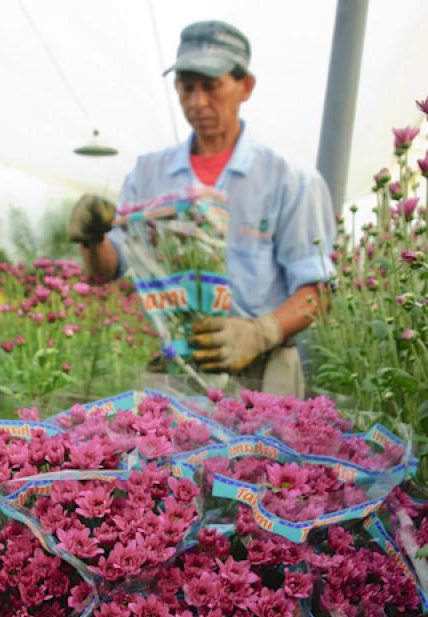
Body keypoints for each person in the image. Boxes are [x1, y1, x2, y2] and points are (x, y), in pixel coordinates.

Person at [68, 20, 335, 396]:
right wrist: (92, 239)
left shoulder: (288, 179)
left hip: (264, 377)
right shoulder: (149, 174)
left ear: (246, 86)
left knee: (264, 456)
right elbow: (108, 269)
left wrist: (261, 332)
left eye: (211, 87)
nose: (197, 102)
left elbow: (317, 290)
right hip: (175, 376)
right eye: (187, 88)